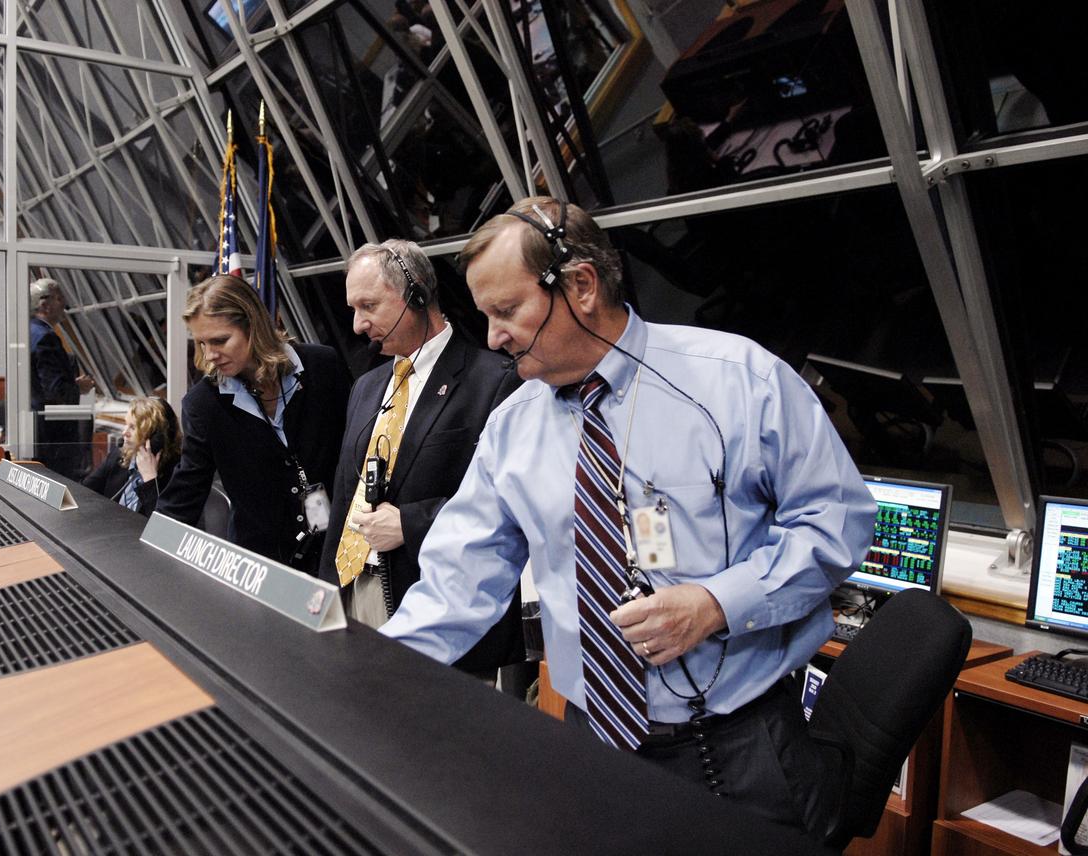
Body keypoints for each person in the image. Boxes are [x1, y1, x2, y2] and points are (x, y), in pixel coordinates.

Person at [380, 197, 876, 837]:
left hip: (745, 744)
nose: (494, 336)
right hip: (593, 743)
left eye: (506, 311)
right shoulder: (512, 428)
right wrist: (364, 669)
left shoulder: (737, 380)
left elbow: (837, 522)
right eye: (485, 315)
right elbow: (457, 582)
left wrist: (715, 603)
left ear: (581, 286)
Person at [316, 239, 524, 679]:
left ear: (417, 295)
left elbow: (510, 507)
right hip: (355, 592)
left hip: (434, 604)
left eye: (368, 305)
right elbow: (343, 497)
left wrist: (410, 524)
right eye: (354, 308)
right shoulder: (366, 388)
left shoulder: (495, 381)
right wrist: (323, 597)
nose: (358, 324)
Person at [155, 275, 349, 572]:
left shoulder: (323, 366)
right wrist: (148, 552)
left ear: (253, 325)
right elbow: (186, 489)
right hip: (262, 567)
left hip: (339, 551)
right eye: (201, 342)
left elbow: (358, 447)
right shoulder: (203, 404)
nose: (209, 355)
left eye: (220, 340)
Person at [30, 279, 96, 478]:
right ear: (44, 304)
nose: (65, 305)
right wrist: (79, 387)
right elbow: (55, 392)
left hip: (35, 429)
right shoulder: (45, 337)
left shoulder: (29, 331)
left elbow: (40, 382)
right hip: (52, 434)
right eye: (60, 298)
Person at [83, 397, 181, 518]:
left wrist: (150, 479)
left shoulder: (176, 474)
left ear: (155, 439)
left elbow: (162, 528)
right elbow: (84, 491)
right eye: (126, 424)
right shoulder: (120, 456)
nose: (124, 432)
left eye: (133, 427)